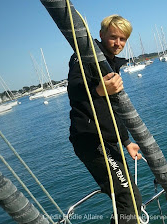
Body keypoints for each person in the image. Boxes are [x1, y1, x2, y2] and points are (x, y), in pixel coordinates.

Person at [67, 14, 142, 224]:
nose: (118, 43)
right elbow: (74, 89)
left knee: (131, 198)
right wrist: (99, 89)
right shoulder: (85, 55)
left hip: (107, 142)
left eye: (123, 39)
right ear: (101, 35)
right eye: (113, 37)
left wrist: (126, 142)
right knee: (128, 200)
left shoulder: (110, 63)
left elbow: (111, 111)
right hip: (91, 141)